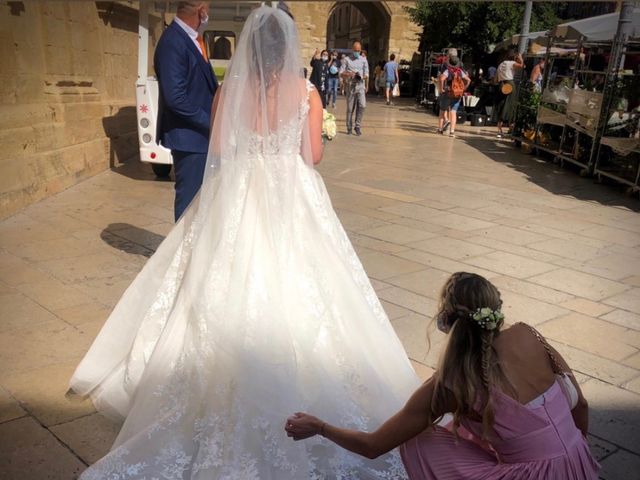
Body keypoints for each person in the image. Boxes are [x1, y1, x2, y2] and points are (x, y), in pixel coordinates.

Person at [69, 5, 419, 478]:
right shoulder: (308, 92)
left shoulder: (229, 90)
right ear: (289, 48)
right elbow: (311, 156)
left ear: (247, 48)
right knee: (312, 285)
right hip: (290, 194)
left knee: (218, 279)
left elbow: (218, 150)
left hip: (237, 192)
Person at [286, 272, 600, 480]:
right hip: (579, 461)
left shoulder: (453, 381)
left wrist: (320, 427)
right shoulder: (529, 334)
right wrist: (575, 458)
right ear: (496, 308)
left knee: (418, 442)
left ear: (446, 320)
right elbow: (580, 405)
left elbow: (373, 446)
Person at [154, 1, 219, 222]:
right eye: (208, 9)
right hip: (189, 139)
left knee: (204, 205)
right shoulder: (172, 41)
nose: (209, 13)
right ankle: (183, 253)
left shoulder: (195, 40)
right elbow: (176, 99)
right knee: (189, 206)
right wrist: (213, 121)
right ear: (201, 11)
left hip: (202, 138)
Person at [340, 41, 369, 136]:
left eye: (358, 50)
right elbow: (341, 72)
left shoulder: (364, 59)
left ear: (361, 50)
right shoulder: (346, 59)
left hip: (360, 85)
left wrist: (361, 76)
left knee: (362, 105)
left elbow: (367, 73)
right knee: (350, 108)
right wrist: (349, 74)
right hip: (350, 86)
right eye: (355, 50)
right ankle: (349, 127)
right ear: (353, 50)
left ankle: (357, 125)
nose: (357, 52)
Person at [437, 55, 470, 137]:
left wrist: (441, 89)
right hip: (457, 94)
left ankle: (440, 129)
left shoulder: (447, 71)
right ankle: (452, 132)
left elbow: (441, 79)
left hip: (447, 93)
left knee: (442, 111)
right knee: (453, 112)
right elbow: (468, 80)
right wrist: (463, 89)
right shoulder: (460, 71)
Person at [495, 50, 524, 138]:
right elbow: (521, 66)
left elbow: (495, 79)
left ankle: (499, 130)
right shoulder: (511, 63)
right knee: (511, 105)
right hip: (510, 84)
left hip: (501, 85)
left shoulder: (500, 64)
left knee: (501, 105)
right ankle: (511, 128)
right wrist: (521, 58)